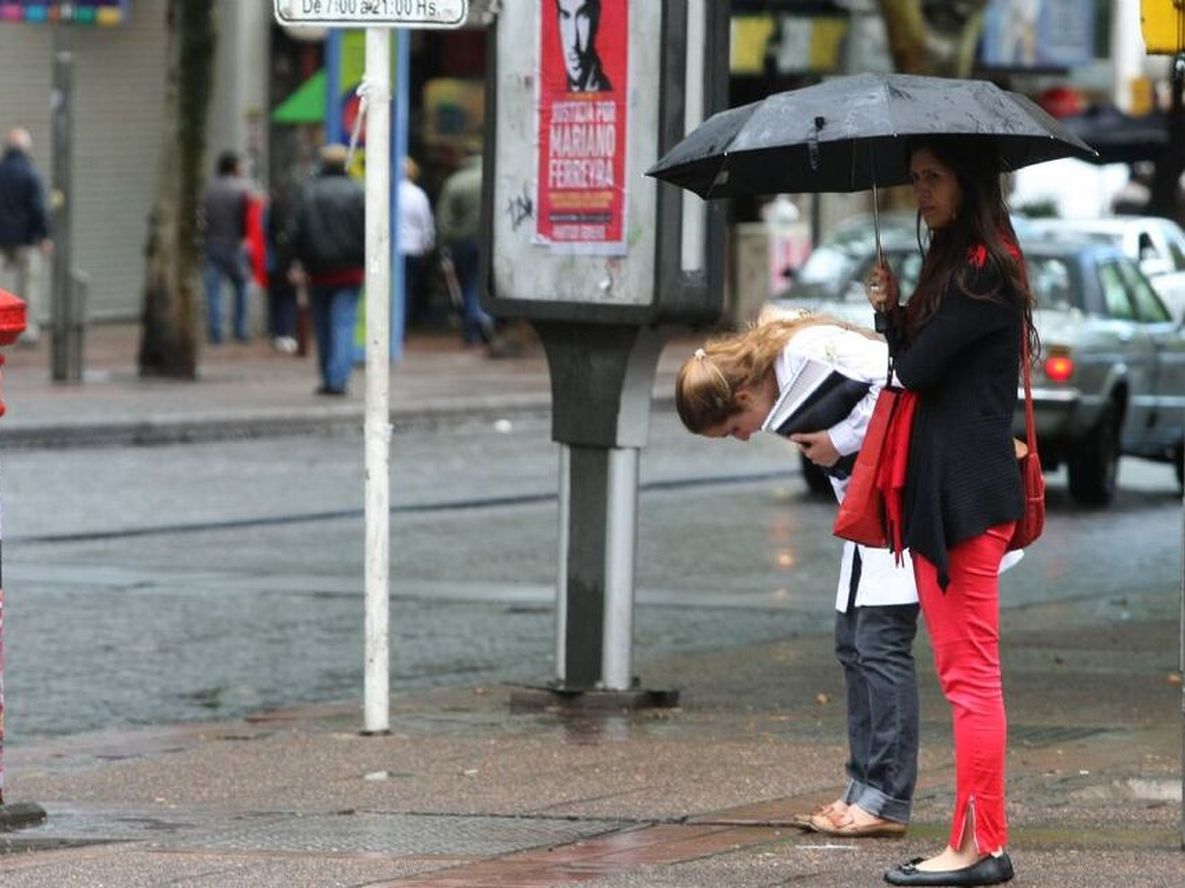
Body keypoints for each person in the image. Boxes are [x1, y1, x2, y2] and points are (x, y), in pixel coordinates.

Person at [674, 310, 922, 841]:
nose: (744, 438)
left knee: (879, 647)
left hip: (902, 508)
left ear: (742, 397)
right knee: (855, 644)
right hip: (872, 514)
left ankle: (885, 798)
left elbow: (902, 378)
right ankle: (863, 789)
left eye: (733, 431)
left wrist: (840, 437)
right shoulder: (788, 366)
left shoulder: (805, 352)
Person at [866, 135, 1029, 887]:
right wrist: (892, 311)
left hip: (965, 495)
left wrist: (900, 322)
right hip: (953, 492)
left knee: (970, 679)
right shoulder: (962, 268)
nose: (919, 193)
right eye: (912, 181)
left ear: (967, 182)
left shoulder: (980, 270)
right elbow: (917, 364)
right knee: (963, 673)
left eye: (931, 179)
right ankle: (972, 837)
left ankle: (978, 844)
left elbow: (917, 370)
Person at [288, 144, 365, 396]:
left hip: (317, 269)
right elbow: (369, 231)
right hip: (351, 268)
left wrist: (295, 261)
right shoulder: (357, 192)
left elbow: (296, 231)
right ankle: (337, 379)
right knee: (344, 323)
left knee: (322, 326)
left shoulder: (309, 192)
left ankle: (327, 376)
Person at [0, 127, 52, 345]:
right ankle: (27, 331)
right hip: (26, 241)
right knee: (29, 287)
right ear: (26, 147)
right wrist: (44, 235)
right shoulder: (31, 173)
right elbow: (38, 207)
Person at [437, 148, 491, 346]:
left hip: (463, 241)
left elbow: (444, 218)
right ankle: (486, 320)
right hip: (490, 241)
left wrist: (444, 244)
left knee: (469, 283)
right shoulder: (494, 177)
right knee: (487, 284)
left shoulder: (455, 181)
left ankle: (473, 326)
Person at [201, 150, 253, 344]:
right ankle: (240, 329)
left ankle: (216, 332)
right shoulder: (241, 189)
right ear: (233, 167)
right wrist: (243, 238)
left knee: (213, 289)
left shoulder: (209, 189)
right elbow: (245, 218)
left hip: (212, 243)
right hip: (234, 244)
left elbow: (203, 218)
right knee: (241, 286)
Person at [398, 156, 435, 329]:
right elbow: (425, 222)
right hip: (413, 248)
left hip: (393, 249)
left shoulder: (386, 192)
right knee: (407, 290)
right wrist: (428, 243)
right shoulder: (418, 195)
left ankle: (396, 325)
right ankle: (403, 325)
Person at [556, 0, 612, 92]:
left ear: (596, 21)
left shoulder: (606, 91)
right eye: (565, 16)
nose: (573, 41)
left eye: (583, 16)